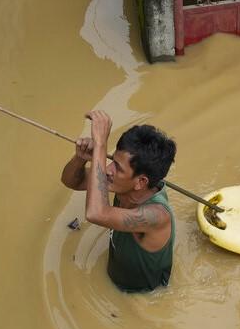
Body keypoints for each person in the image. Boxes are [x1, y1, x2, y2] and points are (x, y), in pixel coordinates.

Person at [60, 111, 177, 293]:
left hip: (142, 298)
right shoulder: (120, 184)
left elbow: (95, 213)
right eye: (112, 161)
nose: (107, 170)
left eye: (118, 168)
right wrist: (81, 158)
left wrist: (100, 145)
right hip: (115, 279)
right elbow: (71, 181)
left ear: (141, 182)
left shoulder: (157, 216)